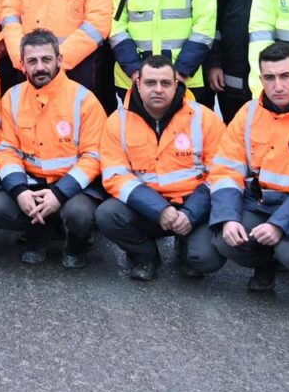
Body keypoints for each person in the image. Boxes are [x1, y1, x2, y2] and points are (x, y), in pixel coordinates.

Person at [208, 42, 289, 292]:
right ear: (260, 79)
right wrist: (228, 218)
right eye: (270, 77)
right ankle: (266, 264)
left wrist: (280, 224)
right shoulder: (249, 112)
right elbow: (225, 169)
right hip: (260, 202)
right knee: (225, 241)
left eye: (285, 76)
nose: (278, 86)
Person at [96, 55, 224, 280]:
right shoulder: (117, 122)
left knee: (204, 259)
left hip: (193, 205)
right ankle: (146, 256)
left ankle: (186, 246)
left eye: (165, 83)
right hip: (147, 209)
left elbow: (221, 172)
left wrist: (191, 214)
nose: (158, 89)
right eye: (150, 83)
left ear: (176, 85)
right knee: (108, 214)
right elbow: (115, 176)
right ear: (137, 84)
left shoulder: (205, 118)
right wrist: (160, 209)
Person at [0, 29, 106, 268]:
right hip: (31, 183)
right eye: (32, 61)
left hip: (72, 188)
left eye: (46, 59)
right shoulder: (12, 98)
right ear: (22, 65)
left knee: (79, 215)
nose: (40, 67)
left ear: (59, 60)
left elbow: (94, 156)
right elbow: (6, 149)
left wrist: (59, 193)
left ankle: (77, 241)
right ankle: (38, 231)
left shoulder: (84, 99)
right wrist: (20, 191)